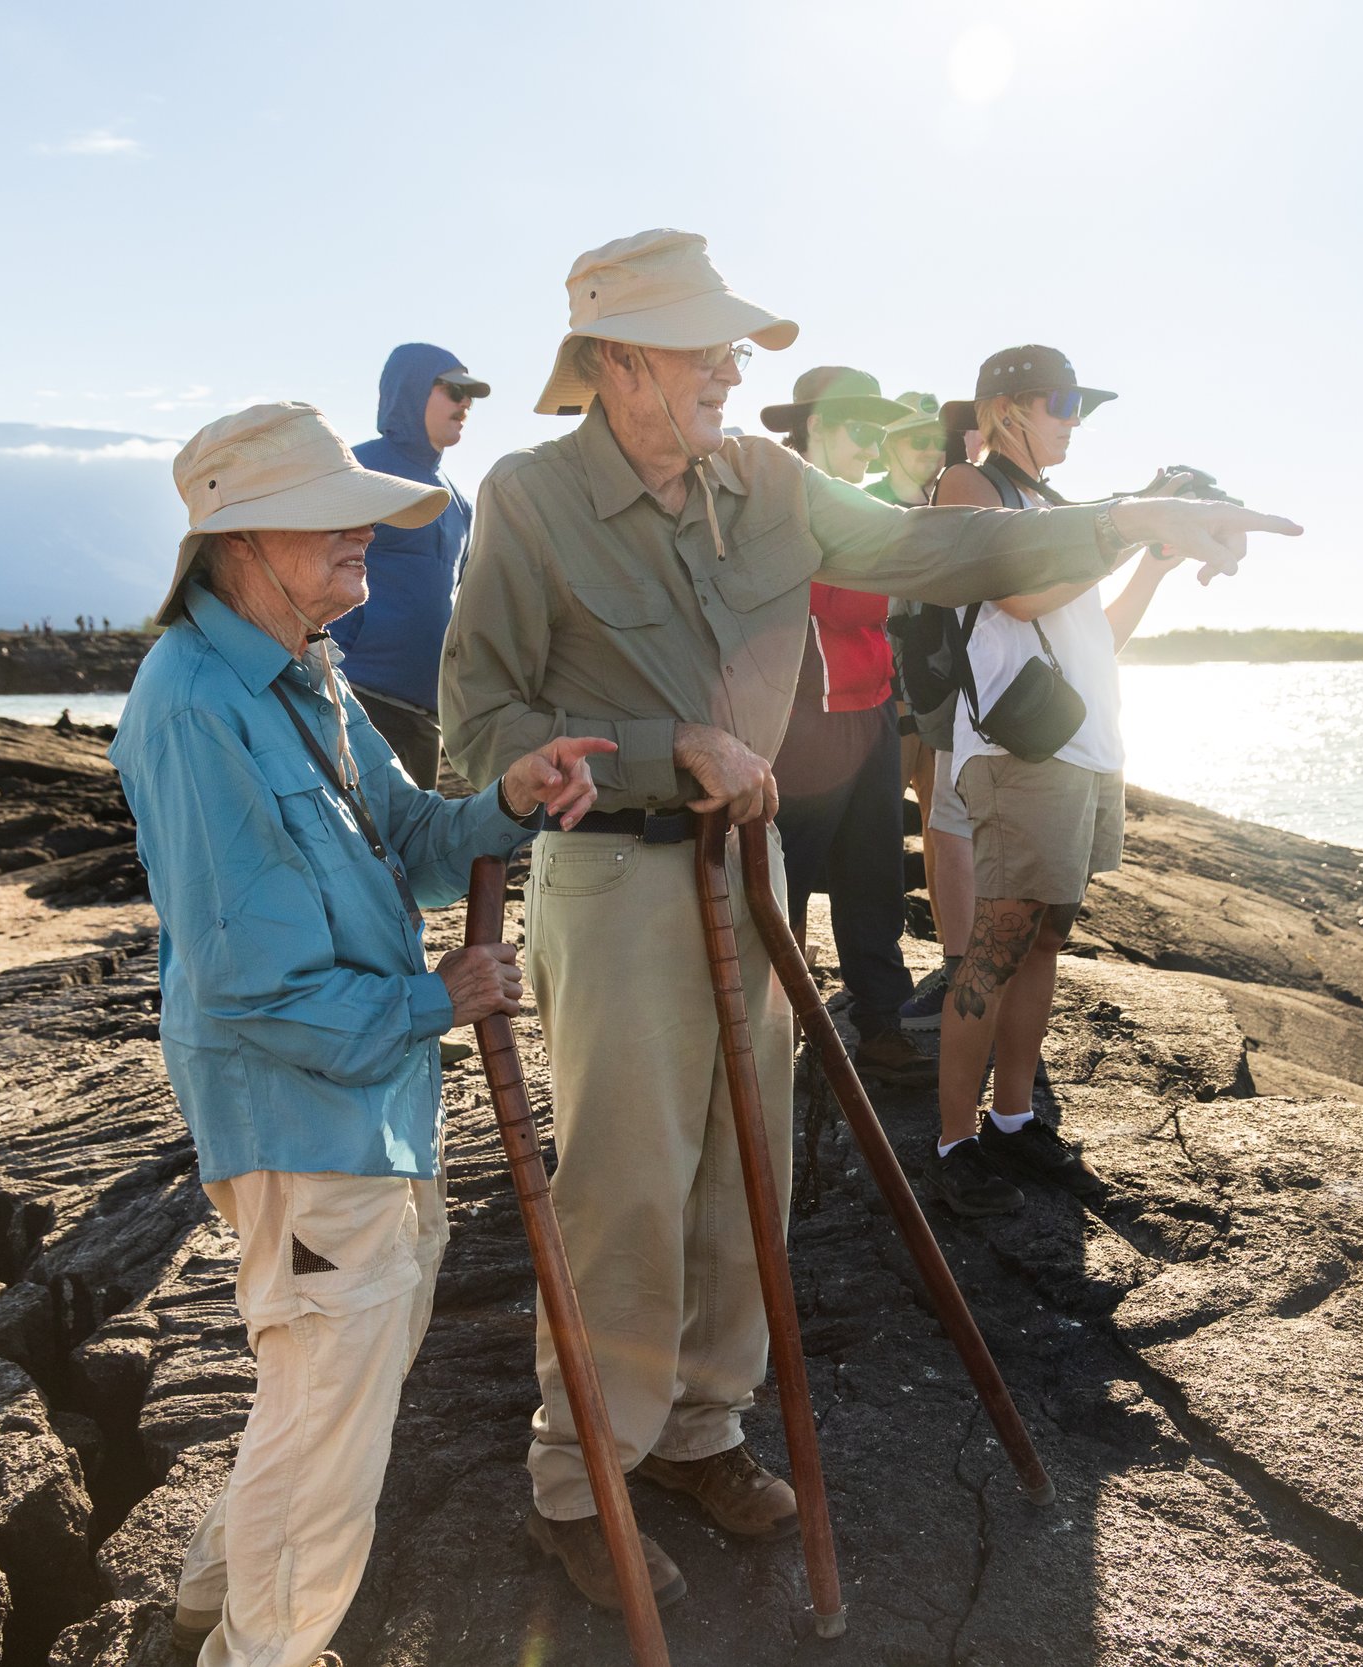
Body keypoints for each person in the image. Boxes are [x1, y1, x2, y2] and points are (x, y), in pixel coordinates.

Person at [440, 229, 1299, 1611]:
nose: (731, 367)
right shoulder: (528, 501)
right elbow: (475, 734)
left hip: (745, 867)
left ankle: (699, 1430)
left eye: (733, 344)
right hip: (609, 883)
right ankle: (576, 1477)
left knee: (749, 1168)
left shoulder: (768, 478)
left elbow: (937, 545)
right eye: (702, 344)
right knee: (625, 1189)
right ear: (612, 361)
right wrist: (669, 750)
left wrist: (1129, 520)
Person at [111, 401, 614, 1667]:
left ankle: (195, 1622)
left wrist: (506, 798)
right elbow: (250, 988)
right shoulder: (190, 706)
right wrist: (438, 1000)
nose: (362, 541)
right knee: (329, 1445)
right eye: (332, 520)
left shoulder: (305, 670)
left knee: (316, 1409)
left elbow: (412, 844)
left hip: (366, 1107)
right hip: (302, 1115)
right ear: (242, 538)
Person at [927, 346, 1221, 1218]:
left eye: (1078, 404)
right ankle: (952, 1143)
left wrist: (1153, 560)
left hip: (1084, 749)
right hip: (1020, 755)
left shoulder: (1065, 510)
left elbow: (1101, 637)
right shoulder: (970, 487)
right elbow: (1016, 598)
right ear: (1006, 407)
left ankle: (1015, 1120)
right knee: (995, 946)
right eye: (1060, 402)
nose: (1073, 420)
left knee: (1045, 937)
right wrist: (1131, 519)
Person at [761, 366, 935, 1087]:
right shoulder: (779, 502)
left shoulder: (865, 507)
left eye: (879, 430)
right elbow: (836, 598)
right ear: (813, 429)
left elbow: (877, 602)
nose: (871, 443)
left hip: (869, 715)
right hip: (800, 725)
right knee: (785, 882)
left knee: (874, 877)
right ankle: (775, 1024)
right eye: (858, 428)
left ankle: (881, 1024)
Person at [327, 344, 491, 788]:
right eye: (455, 390)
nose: (465, 404)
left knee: (411, 854)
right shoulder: (356, 470)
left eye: (470, 395)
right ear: (413, 390)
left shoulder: (459, 501)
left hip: (425, 715)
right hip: (355, 703)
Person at [872, 392, 975, 1031]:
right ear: (889, 447)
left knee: (944, 829)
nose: (929, 451)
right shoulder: (865, 507)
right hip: (880, 701)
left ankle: (952, 957)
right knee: (878, 836)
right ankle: (879, 973)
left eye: (935, 440)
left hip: (937, 699)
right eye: (915, 440)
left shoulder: (948, 505)